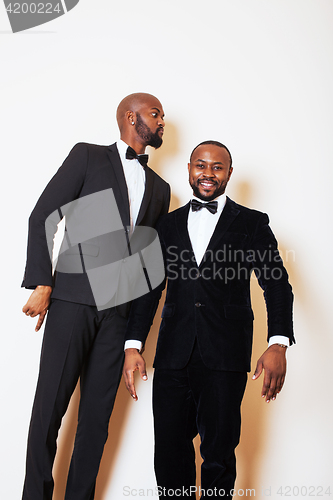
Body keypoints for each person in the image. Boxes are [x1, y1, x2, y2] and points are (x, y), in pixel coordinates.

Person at [123, 140, 295, 499]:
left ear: (229, 173)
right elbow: (149, 290)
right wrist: (133, 345)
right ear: (189, 168)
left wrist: (277, 343)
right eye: (201, 165)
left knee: (218, 454)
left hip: (225, 355)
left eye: (217, 167)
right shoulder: (166, 225)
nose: (208, 173)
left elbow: (276, 285)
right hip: (173, 356)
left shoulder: (250, 223)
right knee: (169, 454)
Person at [21, 93, 170, 500]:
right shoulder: (87, 156)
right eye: (155, 114)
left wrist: (134, 338)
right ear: (130, 117)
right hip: (72, 301)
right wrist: (43, 281)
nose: (162, 122)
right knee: (49, 410)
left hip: (119, 316)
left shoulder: (161, 188)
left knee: (96, 423)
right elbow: (43, 215)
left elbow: (149, 267)